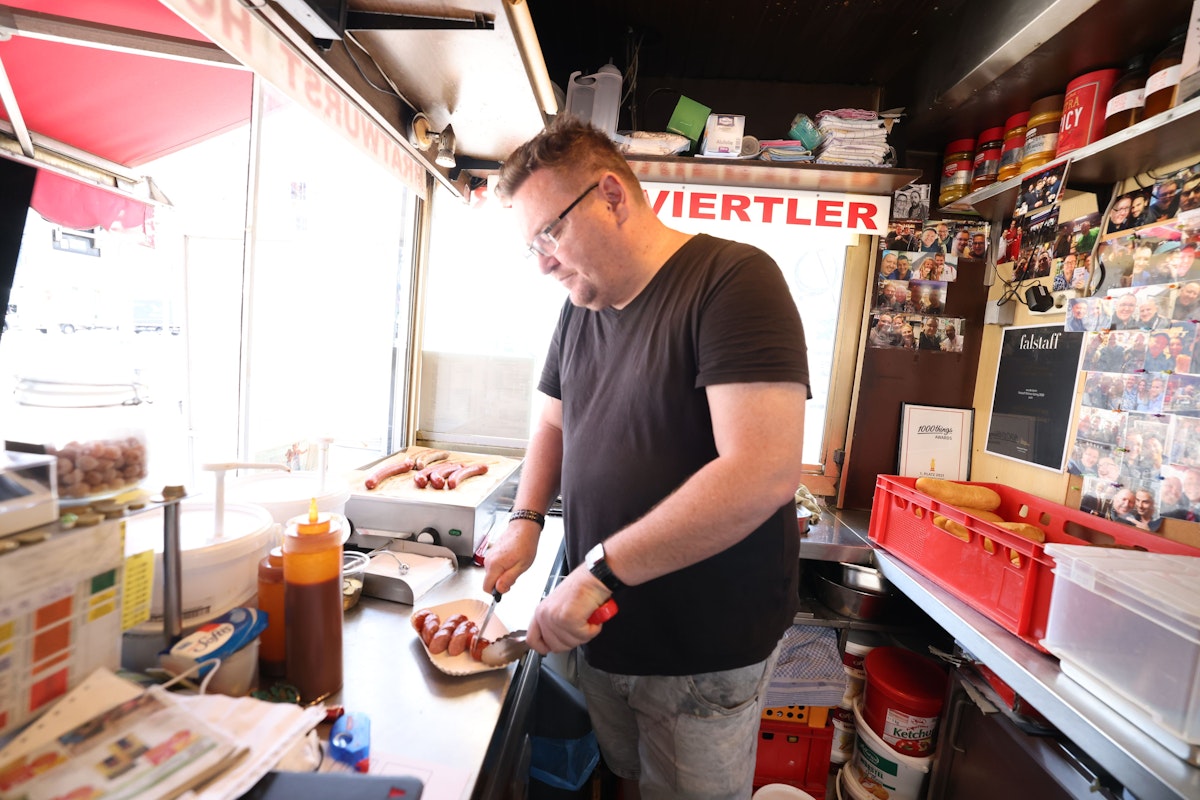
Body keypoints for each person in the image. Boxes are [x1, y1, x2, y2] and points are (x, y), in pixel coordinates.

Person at [486, 116, 809, 800]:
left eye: (550, 234)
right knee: (625, 779)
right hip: (606, 630)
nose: (543, 262)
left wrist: (599, 571)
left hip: (700, 650)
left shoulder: (733, 280)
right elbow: (553, 421)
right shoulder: (582, 304)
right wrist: (525, 519)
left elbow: (764, 470)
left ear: (611, 195)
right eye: (532, 246)